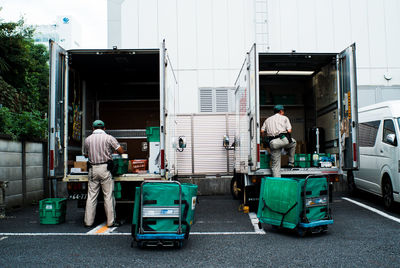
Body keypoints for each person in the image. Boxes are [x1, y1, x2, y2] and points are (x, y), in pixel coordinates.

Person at [84, 120, 124, 228]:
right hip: (105, 169)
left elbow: (85, 154)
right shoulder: (109, 138)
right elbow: (121, 150)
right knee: (108, 196)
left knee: (91, 196)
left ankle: (88, 222)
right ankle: (111, 222)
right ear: (104, 128)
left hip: (93, 169)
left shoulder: (87, 140)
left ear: (93, 128)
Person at [261, 105, 296, 177]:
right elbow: (289, 131)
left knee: (275, 166)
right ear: (281, 111)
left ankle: (277, 182)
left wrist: (265, 139)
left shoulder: (267, 120)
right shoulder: (285, 118)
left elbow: (262, 131)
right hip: (283, 140)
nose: (283, 112)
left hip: (273, 143)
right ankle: (291, 162)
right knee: (293, 142)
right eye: (283, 111)